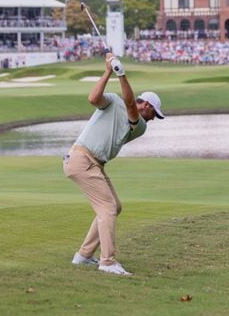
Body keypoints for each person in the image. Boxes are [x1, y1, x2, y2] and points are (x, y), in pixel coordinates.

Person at [63, 52, 164, 276]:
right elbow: (93, 99)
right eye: (153, 113)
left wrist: (121, 73)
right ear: (146, 104)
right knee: (107, 208)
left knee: (114, 207)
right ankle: (107, 262)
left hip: (94, 163)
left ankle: (84, 255)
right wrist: (109, 71)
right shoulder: (113, 101)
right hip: (82, 159)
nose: (153, 119)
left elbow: (129, 104)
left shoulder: (139, 126)